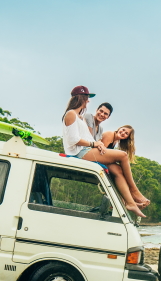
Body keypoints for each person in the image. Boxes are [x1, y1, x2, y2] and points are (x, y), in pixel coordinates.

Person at [62, 86, 149, 217]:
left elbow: (89, 138)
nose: (88, 101)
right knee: (123, 155)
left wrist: (99, 144)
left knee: (118, 170)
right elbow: (72, 140)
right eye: (86, 98)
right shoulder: (71, 114)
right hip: (79, 153)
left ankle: (129, 202)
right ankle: (134, 190)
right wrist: (95, 143)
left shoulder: (80, 117)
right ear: (80, 98)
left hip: (87, 150)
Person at [99, 125, 150, 211]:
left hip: (101, 159)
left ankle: (126, 202)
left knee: (118, 171)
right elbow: (100, 152)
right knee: (120, 162)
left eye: (126, 133)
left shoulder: (115, 141)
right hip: (94, 156)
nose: (123, 133)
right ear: (119, 128)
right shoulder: (110, 134)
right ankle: (133, 190)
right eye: (123, 130)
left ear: (127, 138)